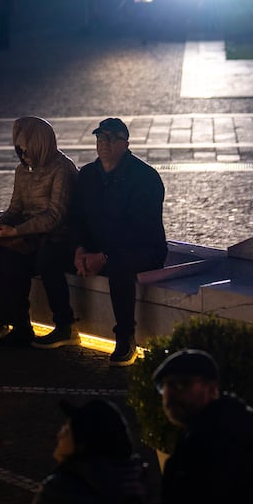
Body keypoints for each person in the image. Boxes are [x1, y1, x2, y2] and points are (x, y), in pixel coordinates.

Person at [57, 118, 165, 366]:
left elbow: (141, 229)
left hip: (142, 249)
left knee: (120, 268)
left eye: (110, 138)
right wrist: (79, 249)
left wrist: (105, 256)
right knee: (50, 253)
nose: (103, 143)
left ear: (125, 144)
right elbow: (77, 218)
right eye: (99, 137)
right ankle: (64, 325)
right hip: (95, 247)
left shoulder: (145, 178)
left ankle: (126, 338)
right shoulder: (88, 175)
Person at [0, 116, 78, 348]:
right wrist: (0, 226)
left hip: (55, 236)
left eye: (26, 149)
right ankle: (8, 321)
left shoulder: (62, 169)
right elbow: (15, 207)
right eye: (19, 149)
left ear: (40, 145)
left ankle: (58, 325)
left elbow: (55, 216)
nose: (23, 155)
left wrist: (15, 231)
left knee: (23, 260)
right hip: (28, 233)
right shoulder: (22, 170)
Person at [153, 349, 253, 504]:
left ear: (211, 389)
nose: (170, 394)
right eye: (164, 386)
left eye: (181, 384)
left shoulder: (217, 442)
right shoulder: (217, 429)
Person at [31, 398, 148, 504]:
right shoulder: (138, 484)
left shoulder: (59, 490)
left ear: (82, 443)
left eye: (66, 431)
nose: (59, 435)